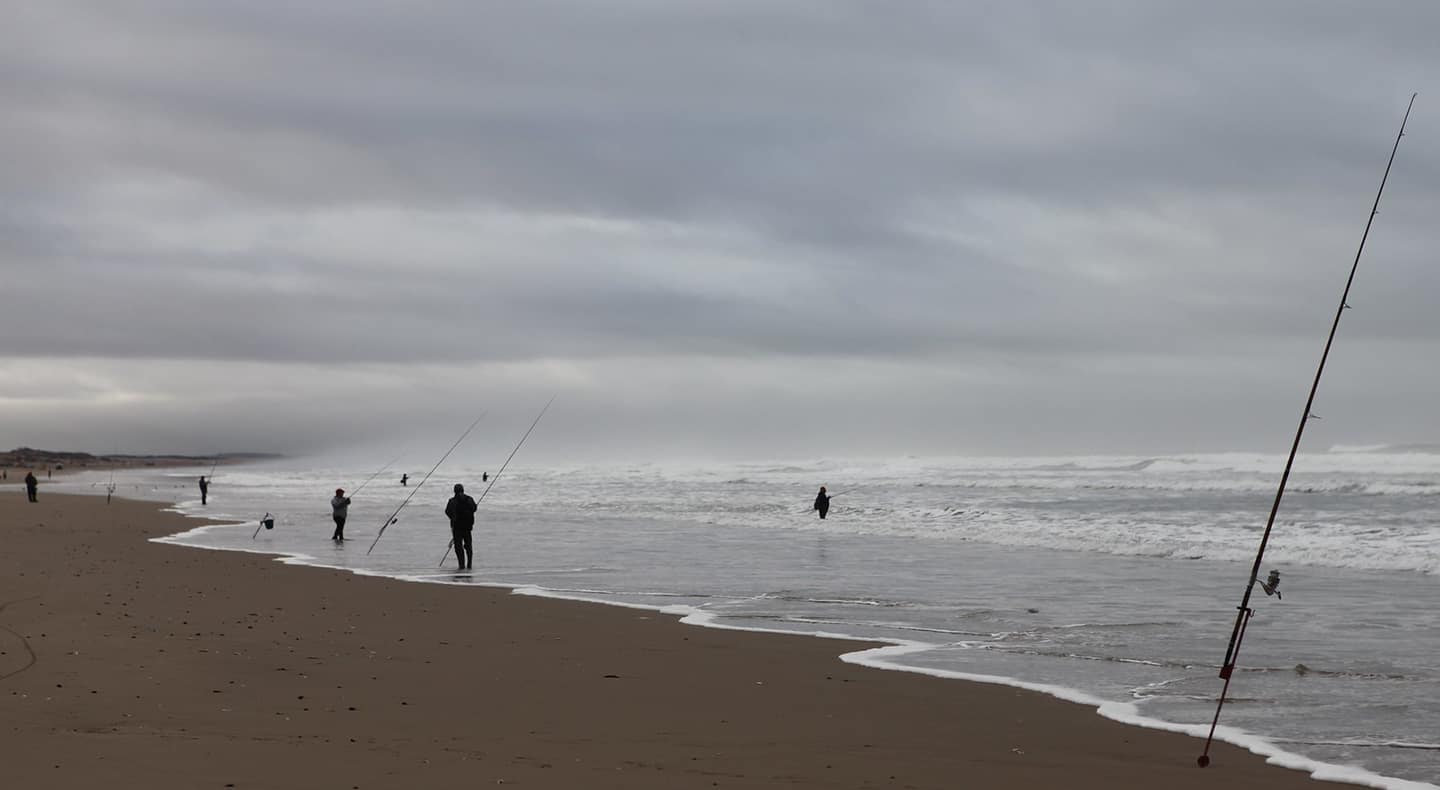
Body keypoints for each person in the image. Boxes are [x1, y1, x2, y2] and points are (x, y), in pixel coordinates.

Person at [444, 483, 478, 570]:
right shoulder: (469, 499)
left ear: (454, 491)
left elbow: (447, 511)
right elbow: (474, 508)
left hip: (457, 527)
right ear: (463, 490)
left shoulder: (452, 501)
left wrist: (452, 518)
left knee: (458, 547)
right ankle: (469, 564)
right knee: (468, 546)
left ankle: (461, 565)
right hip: (467, 527)